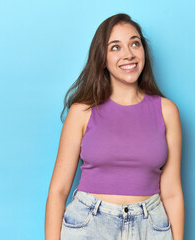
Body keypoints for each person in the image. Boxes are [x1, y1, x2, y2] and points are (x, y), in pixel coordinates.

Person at [45, 13, 184, 240]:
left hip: (150, 226)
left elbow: (172, 192)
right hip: (90, 226)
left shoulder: (167, 111)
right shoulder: (82, 112)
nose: (128, 54)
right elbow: (58, 191)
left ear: (143, 52)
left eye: (135, 43)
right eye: (115, 47)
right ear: (102, 59)